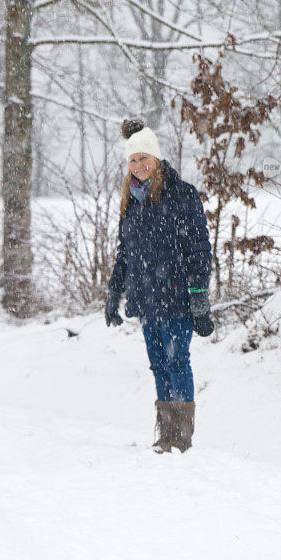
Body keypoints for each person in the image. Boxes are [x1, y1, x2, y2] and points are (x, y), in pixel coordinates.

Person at [105, 119, 214, 453]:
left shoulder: (181, 195)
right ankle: (165, 434)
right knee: (157, 363)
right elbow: (126, 251)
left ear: (156, 158)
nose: (138, 166)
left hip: (178, 295)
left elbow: (199, 249)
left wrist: (199, 297)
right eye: (132, 160)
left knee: (177, 360)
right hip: (147, 298)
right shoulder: (132, 201)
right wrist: (114, 290)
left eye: (144, 158)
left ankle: (181, 436)